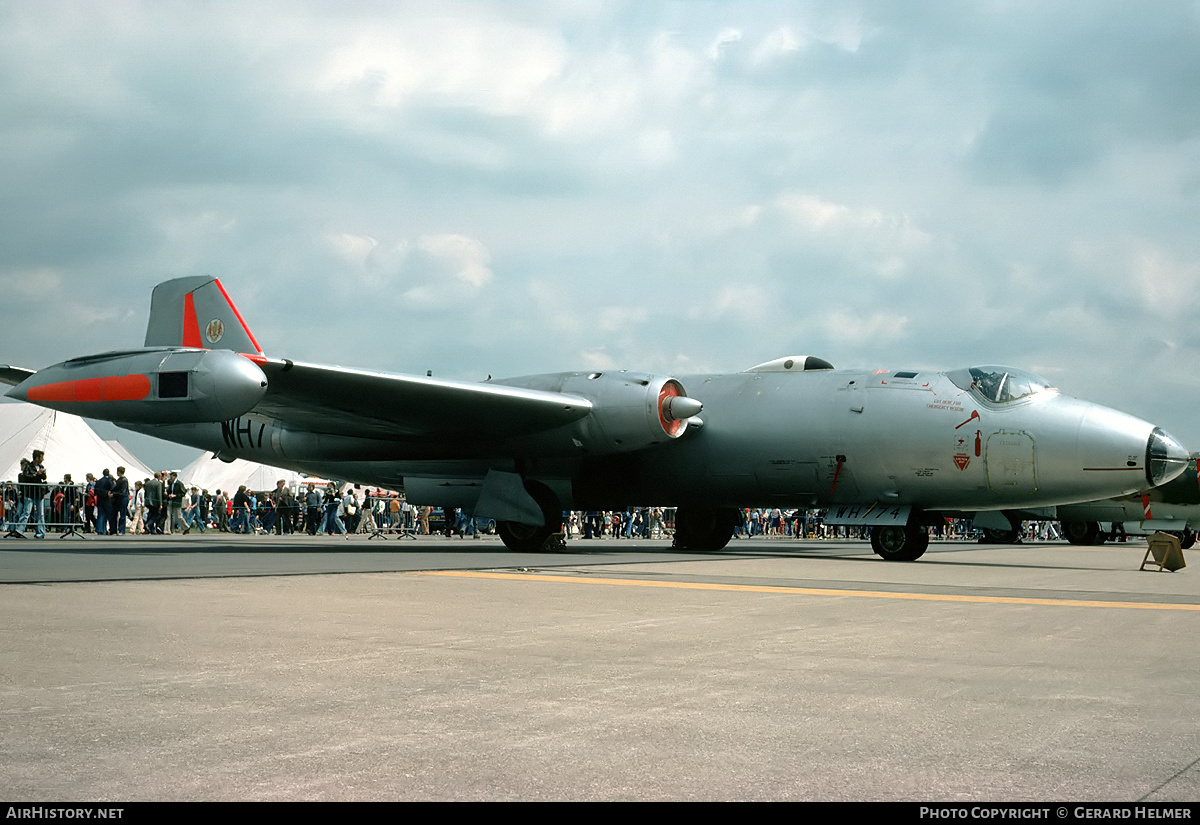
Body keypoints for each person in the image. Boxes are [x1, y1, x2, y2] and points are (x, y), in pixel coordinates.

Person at [17, 450, 48, 539]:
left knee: (40, 513)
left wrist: (42, 473)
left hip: (39, 493)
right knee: (27, 512)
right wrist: (35, 474)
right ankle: (20, 530)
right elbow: (26, 477)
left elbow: (44, 477)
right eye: (41, 457)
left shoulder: (41, 467)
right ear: (37, 458)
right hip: (30, 493)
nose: (43, 459)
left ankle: (40, 532)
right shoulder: (28, 467)